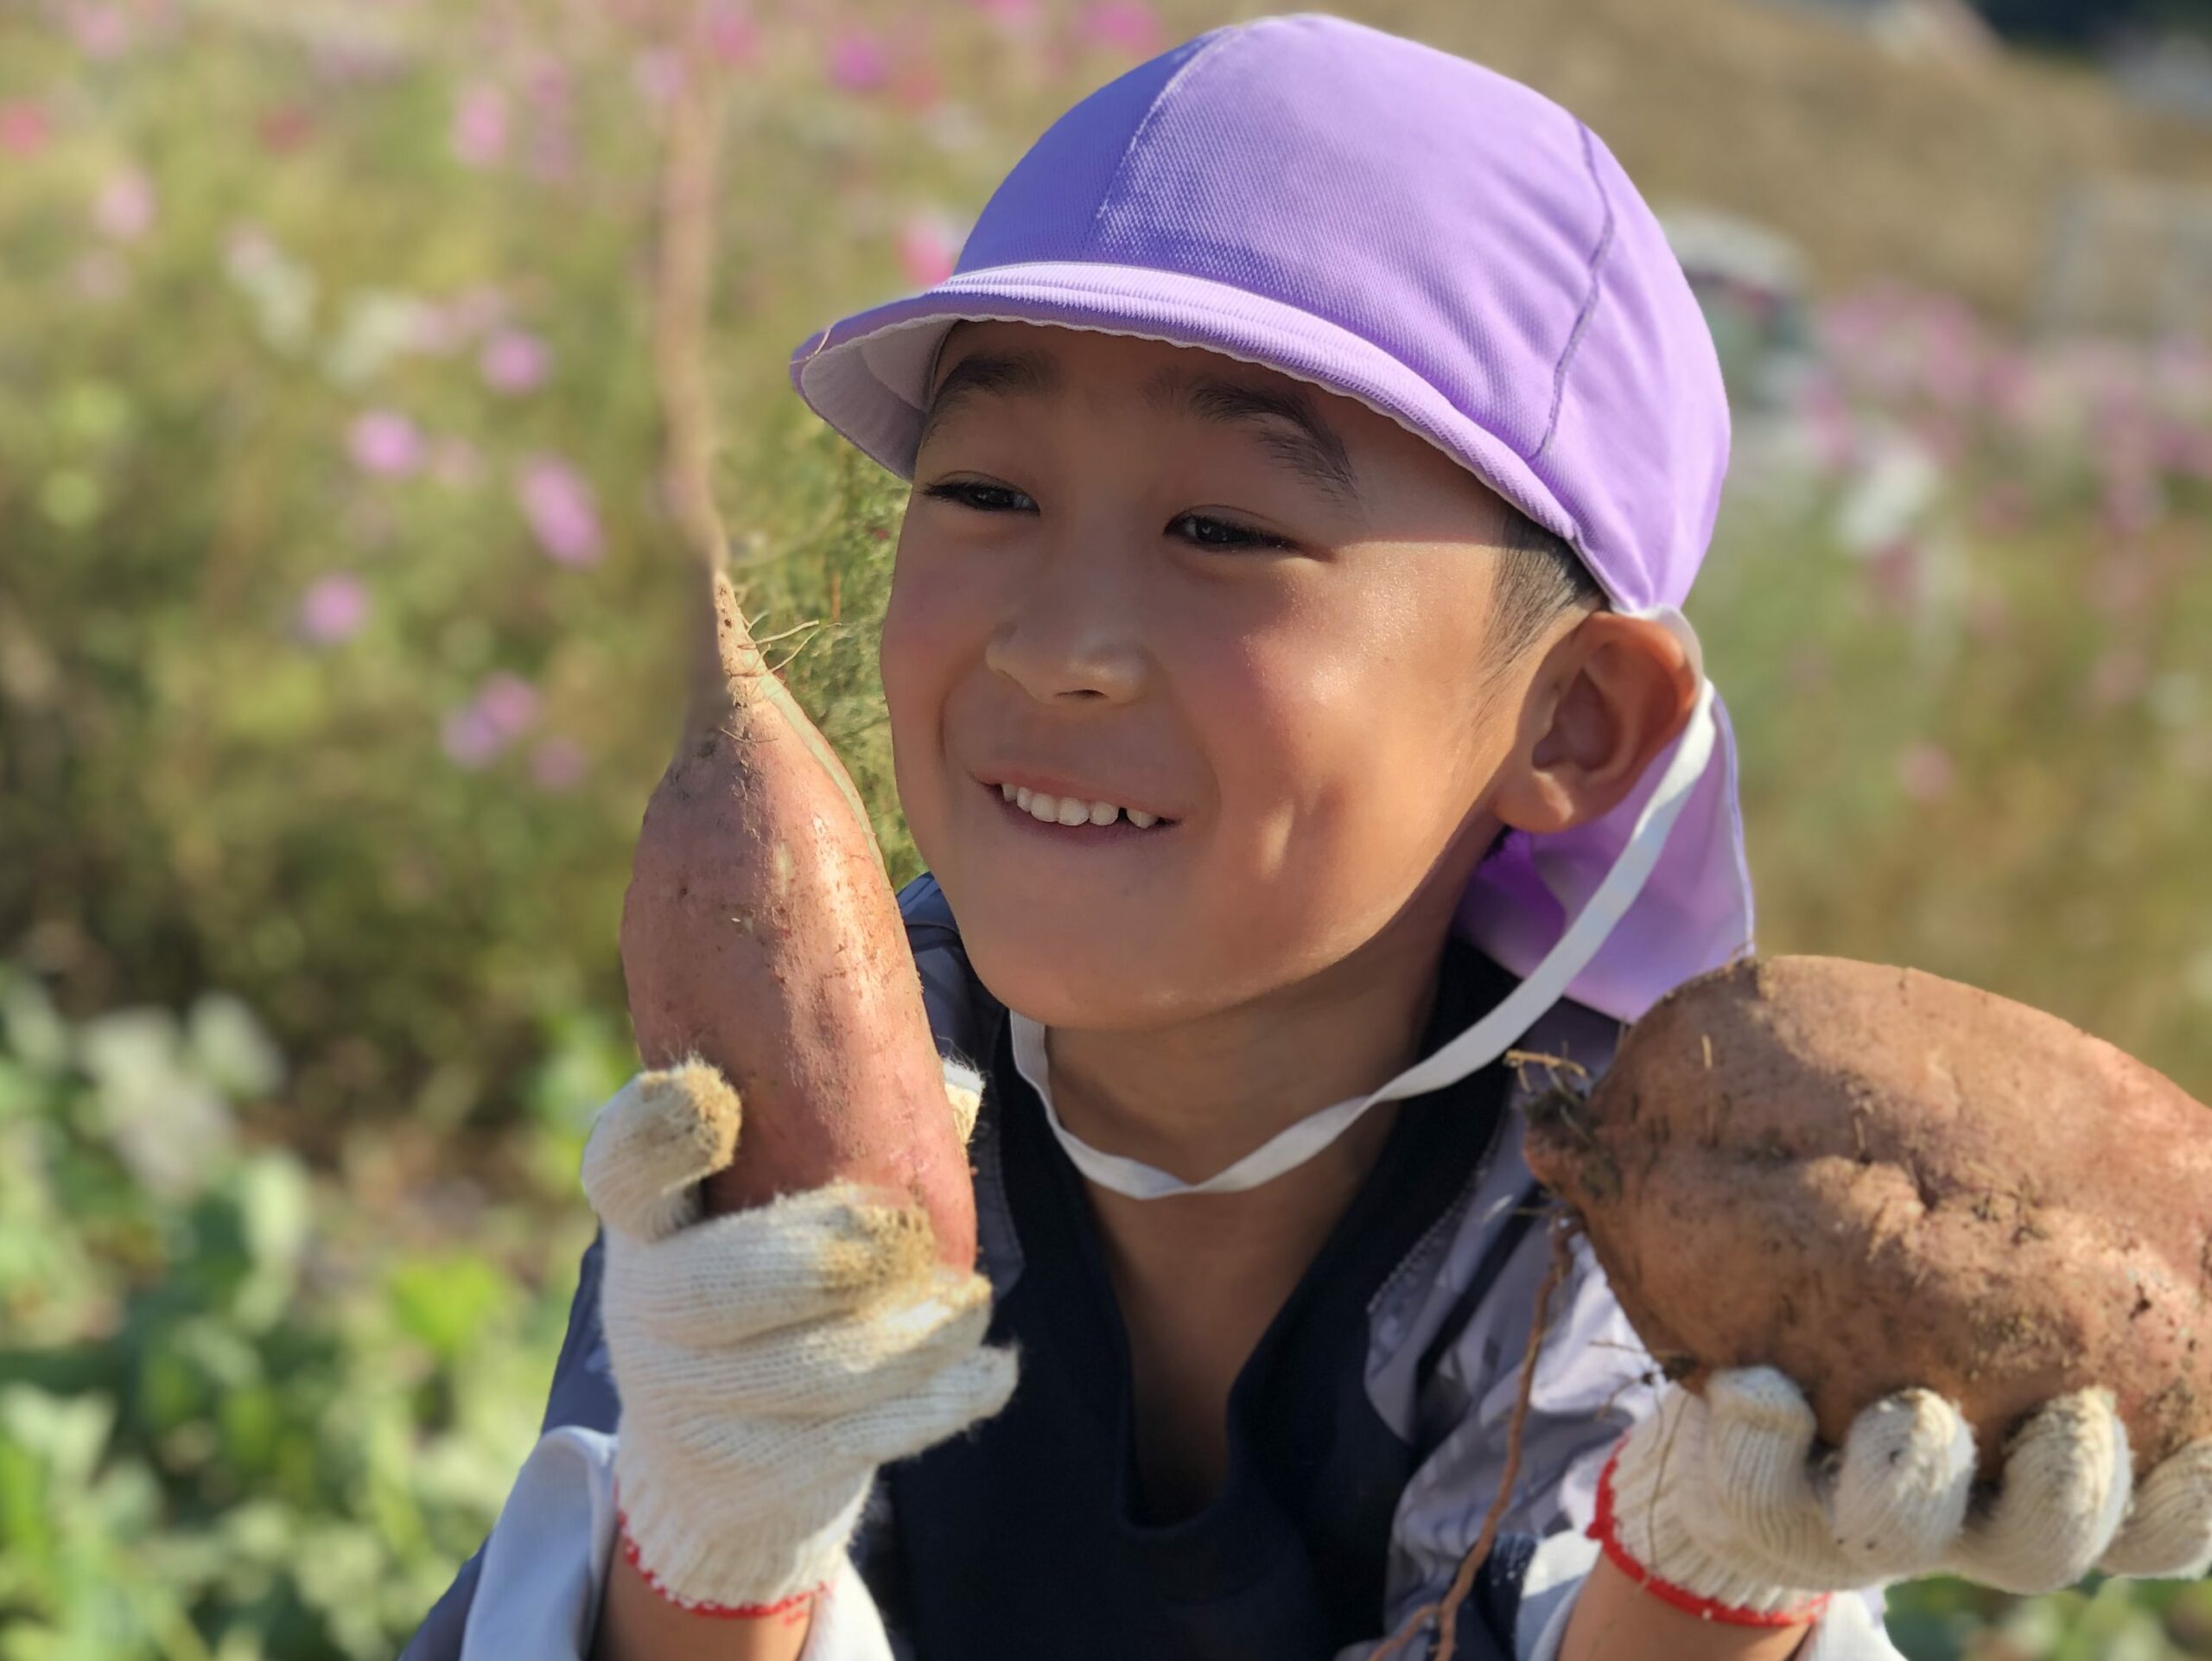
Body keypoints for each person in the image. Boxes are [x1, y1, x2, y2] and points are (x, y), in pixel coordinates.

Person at [403, 15, 2212, 1661]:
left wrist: (1720, 1570)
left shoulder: (1621, 1219)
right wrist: (715, 1536)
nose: (1052, 644)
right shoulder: (806, 1087)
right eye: (983, 492)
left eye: (1222, 532)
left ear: (1571, 723)